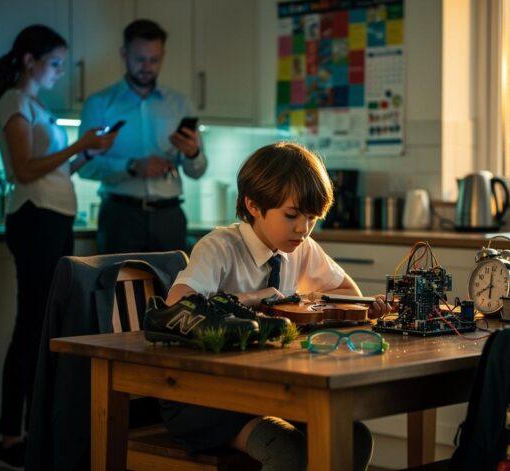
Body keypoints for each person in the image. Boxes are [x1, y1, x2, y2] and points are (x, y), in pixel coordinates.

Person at [152, 142, 390, 471]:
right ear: (253, 205)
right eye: (291, 215)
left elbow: (347, 291)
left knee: (353, 437)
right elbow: (176, 305)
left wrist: (304, 305)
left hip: (266, 388)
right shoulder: (219, 248)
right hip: (201, 394)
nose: (303, 229)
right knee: (286, 450)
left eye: (312, 218)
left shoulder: (301, 247)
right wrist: (254, 298)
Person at [0, 24, 117, 470]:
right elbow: (24, 170)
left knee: (45, 326)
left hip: (54, 218)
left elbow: (55, 171)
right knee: (32, 327)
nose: (61, 71)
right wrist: (80, 142)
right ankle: (10, 438)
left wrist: (87, 154)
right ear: (29, 60)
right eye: (55, 63)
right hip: (34, 219)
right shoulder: (14, 101)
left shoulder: (36, 106)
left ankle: (34, 432)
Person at [79, 19, 206, 254]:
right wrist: (131, 166)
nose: (147, 66)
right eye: (139, 59)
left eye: (154, 60)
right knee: (118, 278)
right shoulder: (99, 104)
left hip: (169, 216)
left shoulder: (181, 105)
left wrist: (193, 154)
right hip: (119, 217)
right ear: (123, 54)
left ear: (163, 56)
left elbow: (197, 172)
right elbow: (85, 167)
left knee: (174, 279)